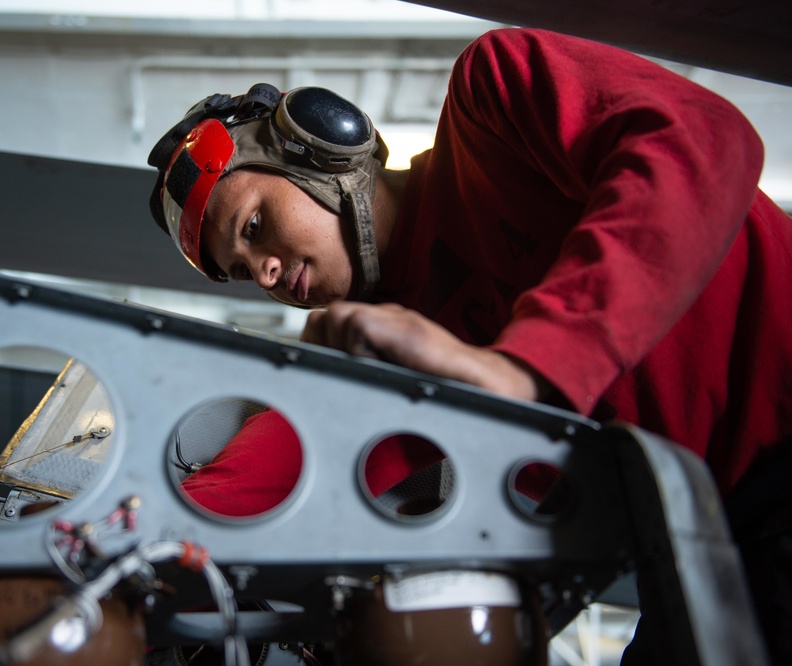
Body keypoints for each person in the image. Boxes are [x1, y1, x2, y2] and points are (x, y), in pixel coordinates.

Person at [147, 27, 792, 662]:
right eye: (241, 271)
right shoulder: (392, 358)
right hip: (723, 543)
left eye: (254, 226)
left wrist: (523, 366)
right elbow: (262, 478)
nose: (262, 273)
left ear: (320, 141)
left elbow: (702, 140)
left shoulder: (493, 104)